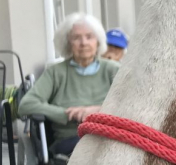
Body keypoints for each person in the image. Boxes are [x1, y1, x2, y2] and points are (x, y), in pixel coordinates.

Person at [18, 13, 119, 157]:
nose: (83, 43)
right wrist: (66, 114)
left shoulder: (113, 69)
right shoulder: (55, 72)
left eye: (89, 37)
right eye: (76, 38)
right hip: (71, 139)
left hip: (110, 135)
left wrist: (97, 110)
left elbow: (131, 103)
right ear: (68, 43)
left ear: (97, 41)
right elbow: (26, 104)